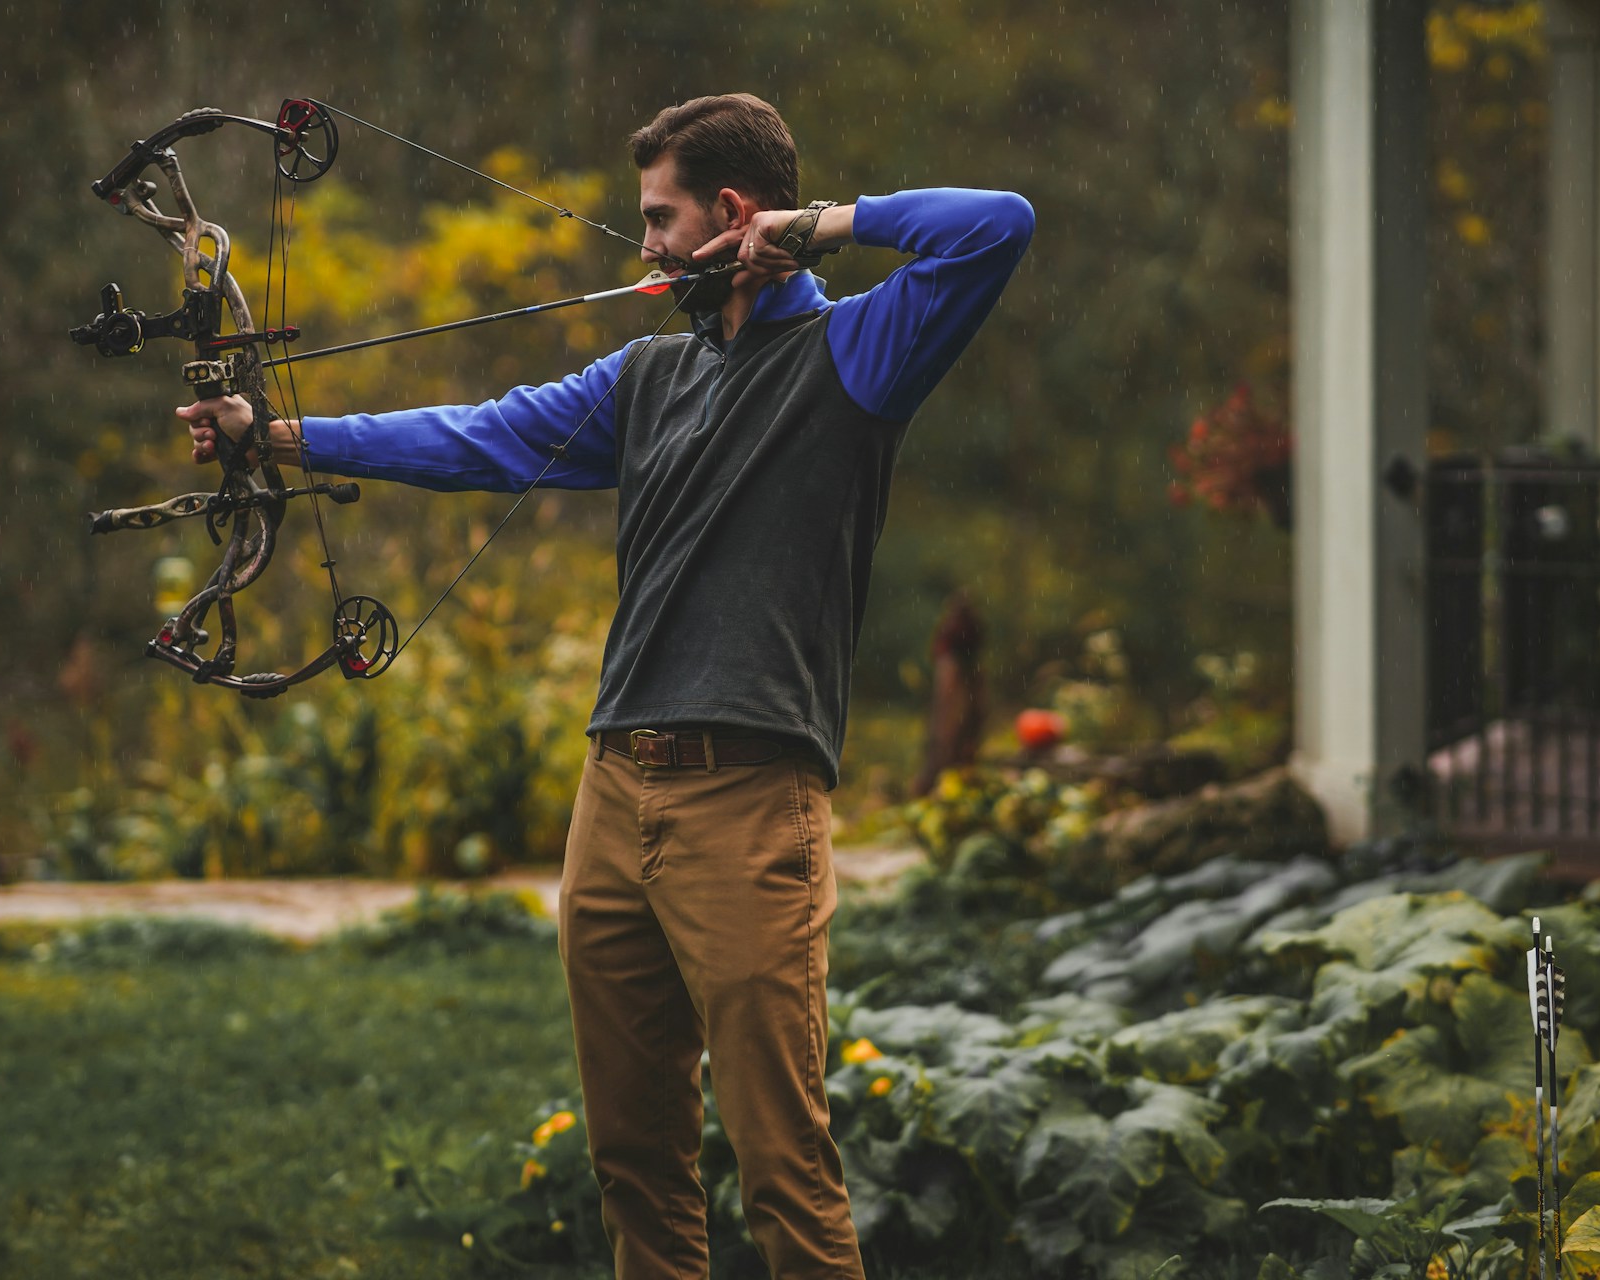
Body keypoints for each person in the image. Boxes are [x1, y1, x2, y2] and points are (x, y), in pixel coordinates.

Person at [181, 93, 1032, 1280]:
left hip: (749, 804)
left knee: (783, 1168)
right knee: (635, 1163)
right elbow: (472, 436)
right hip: (614, 794)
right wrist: (274, 435)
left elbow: (999, 224)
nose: (644, 246)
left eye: (659, 218)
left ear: (733, 216)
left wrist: (822, 226)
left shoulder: (856, 355)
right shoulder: (648, 377)